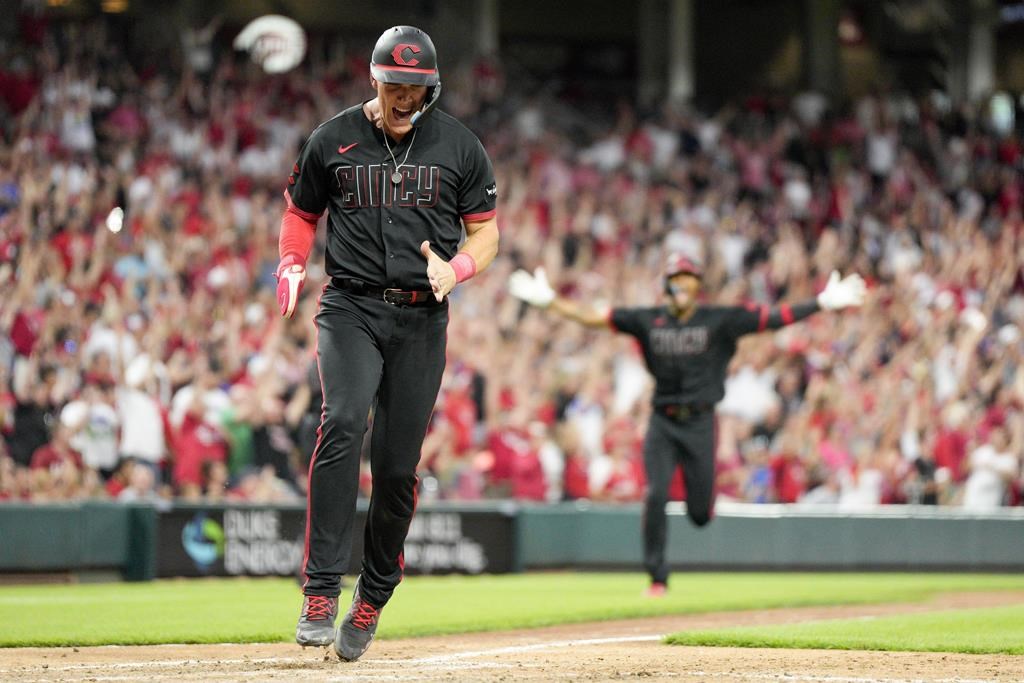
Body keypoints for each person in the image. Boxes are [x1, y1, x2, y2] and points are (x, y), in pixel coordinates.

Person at [277, 26, 499, 661]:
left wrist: (457, 269)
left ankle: (373, 594)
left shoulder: (459, 145)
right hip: (349, 306)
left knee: (397, 467)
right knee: (343, 421)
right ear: (373, 79)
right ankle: (320, 588)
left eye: (418, 87)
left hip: (421, 316)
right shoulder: (333, 137)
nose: (406, 98)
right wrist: (293, 264)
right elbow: (300, 211)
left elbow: (486, 233)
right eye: (396, 85)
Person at [508, 253, 864, 595]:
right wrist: (550, 301)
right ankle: (657, 577)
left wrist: (822, 302)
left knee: (698, 514)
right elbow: (593, 317)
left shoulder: (718, 320)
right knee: (655, 492)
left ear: (696, 286)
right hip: (663, 420)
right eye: (676, 279)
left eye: (687, 279)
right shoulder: (648, 320)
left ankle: (699, 510)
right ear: (666, 285)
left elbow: (772, 317)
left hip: (699, 423)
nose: (682, 286)